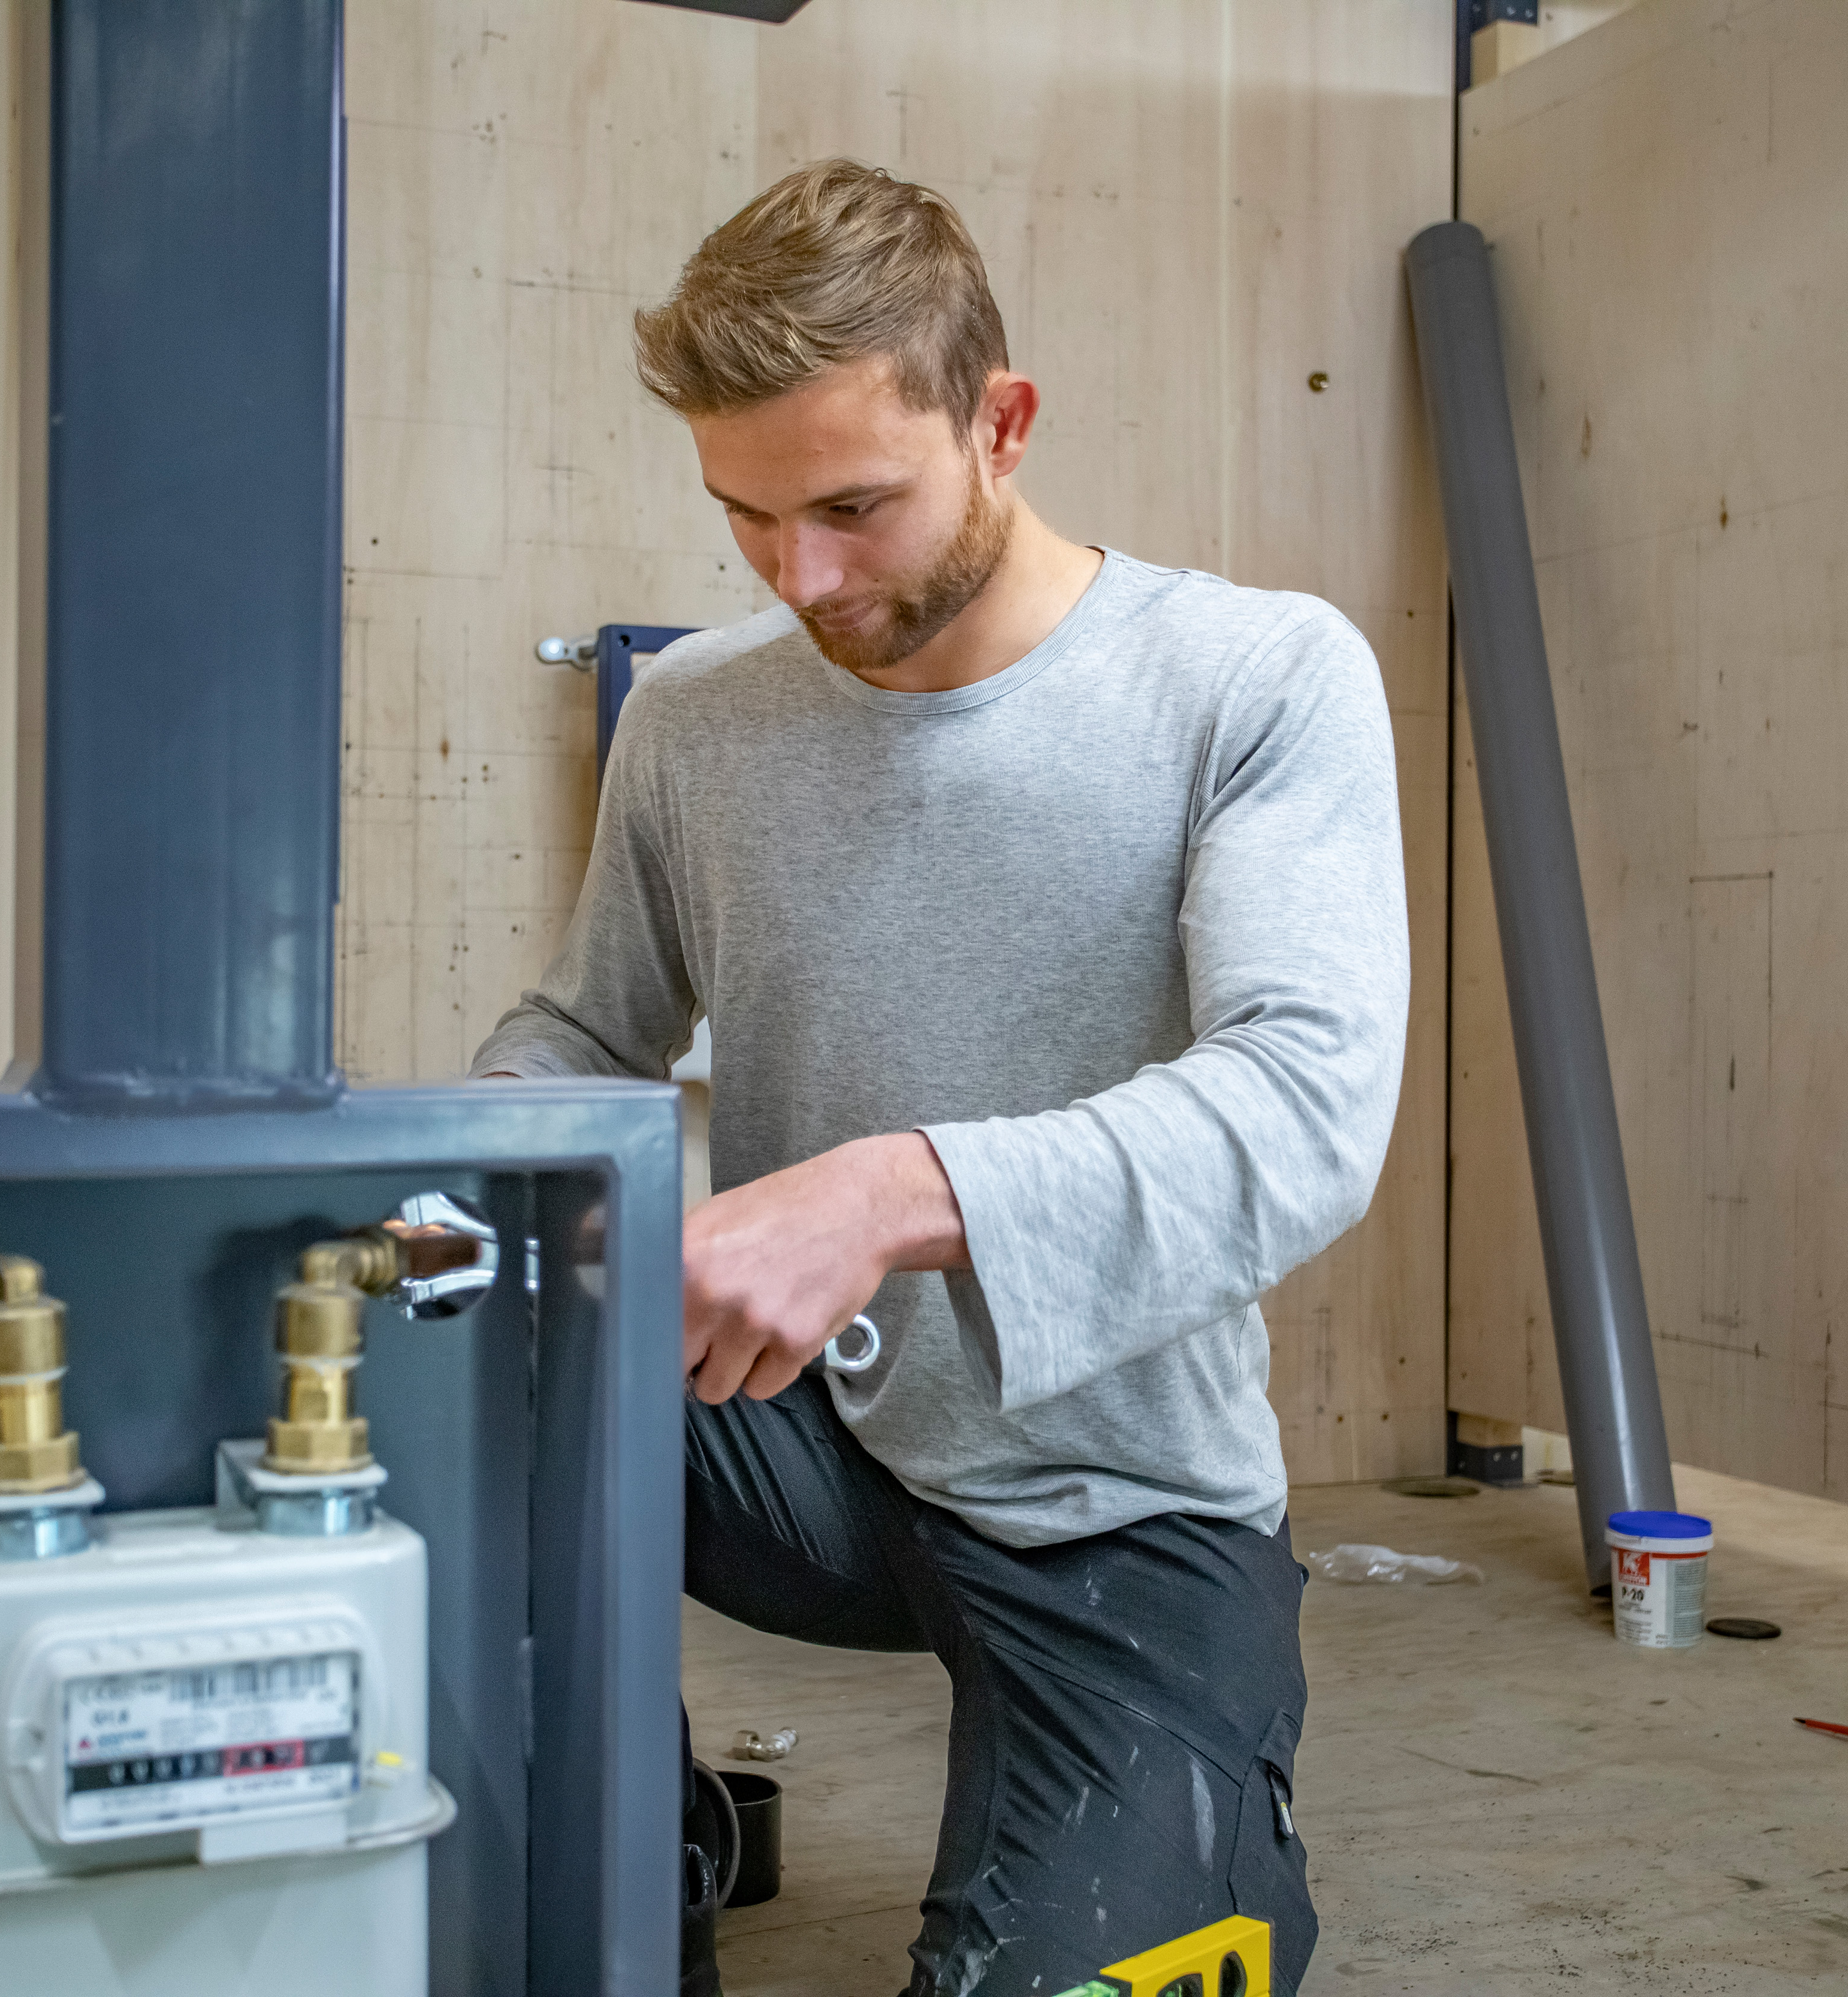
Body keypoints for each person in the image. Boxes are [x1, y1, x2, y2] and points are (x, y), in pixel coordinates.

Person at [470, 159, 1408, 1997]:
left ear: (1004, 423)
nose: (798, 577)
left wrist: (891, 1192)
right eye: (745, 518)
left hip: (1118, 1492)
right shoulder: (695, 724)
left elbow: (1303, 1109)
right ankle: (604, 1900)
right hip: (784, 1433)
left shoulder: (1254, 680)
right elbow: (582, 1042)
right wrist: (466, 1163)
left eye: (850, 508)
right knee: (458, 1348)